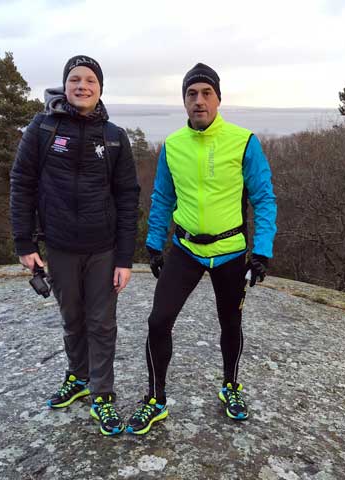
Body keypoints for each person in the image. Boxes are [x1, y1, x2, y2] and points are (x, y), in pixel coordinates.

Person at [126, 63, 277, 435]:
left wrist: (262, 251)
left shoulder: (244, 141)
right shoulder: (173, 145)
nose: (199, 101)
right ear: (183, 101)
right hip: (186, 248)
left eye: (206, 93)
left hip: (230, 250)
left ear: (218, 98)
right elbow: (162, 196)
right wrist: (153, 244)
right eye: (191, 94)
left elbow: (264, 198)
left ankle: (231, 386)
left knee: (231, 322)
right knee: (158, 321)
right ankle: (156, 399)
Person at [9, 55, 140, 436]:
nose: (82, 86)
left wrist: (124, 257)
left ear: (100, 89)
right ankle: (77, 377)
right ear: (64, 86)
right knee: (72, 319)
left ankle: (102, 394)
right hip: (61, 245)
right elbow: (22, 182)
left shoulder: (114, 136)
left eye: (90, 81)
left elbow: (128, 196)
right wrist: (24, 241)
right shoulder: (42, 128)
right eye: (75, 80)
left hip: (103, 248)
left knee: (101, 322)